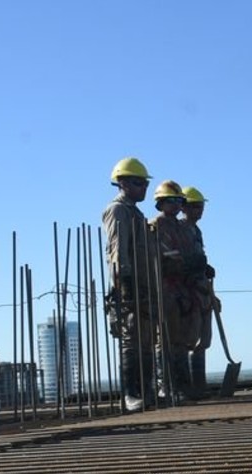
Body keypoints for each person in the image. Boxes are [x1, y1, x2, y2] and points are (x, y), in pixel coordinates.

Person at [101, 157, 157, 411]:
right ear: (122, 183)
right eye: (138, 183)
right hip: (129, 285)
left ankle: (147, 391)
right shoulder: (117, 210)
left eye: (144, 183)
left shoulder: (136, 213)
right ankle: (131, 394)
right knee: (131, 339)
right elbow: (117, 250)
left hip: (144, 285)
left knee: (146, 339)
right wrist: (125, 282)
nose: (143, 187)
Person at [147, 180, 196, 401]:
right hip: (165, 288)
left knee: (182, 340)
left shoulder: (183, 228)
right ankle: (166, 386)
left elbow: (188, 254)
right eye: (172, 201)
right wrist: (175, 260)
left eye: (179, 201)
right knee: (165, 339)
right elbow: (156, 257)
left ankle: (183, 386)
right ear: (161, 203)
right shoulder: (155, 226)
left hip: (183, 290)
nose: (176, 205)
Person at [180, 185, 217, 398]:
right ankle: (190, 387)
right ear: (184, 207)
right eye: (195, 206)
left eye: (201, 206)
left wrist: (205, 268)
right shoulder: (181, 228)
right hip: (189, 291)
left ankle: (199, 385)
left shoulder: (196, 230)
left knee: (204, 340)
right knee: (190, 339)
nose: (199, 210)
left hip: (202, 290)